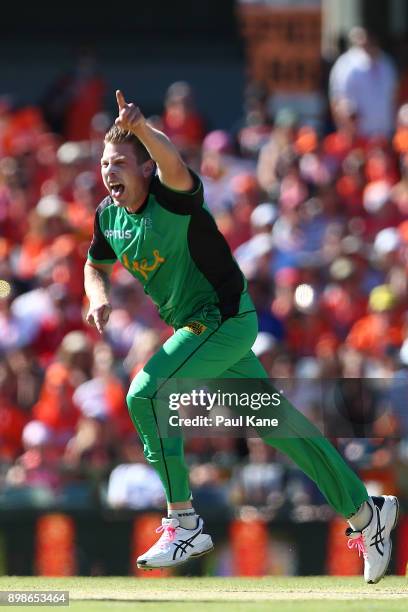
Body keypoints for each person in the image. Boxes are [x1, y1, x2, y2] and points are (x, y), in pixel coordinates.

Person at [83, 90, 398, 581]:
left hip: (221, 320)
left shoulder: (173, 194)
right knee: (278, 425)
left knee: (146, 394)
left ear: (146, 169)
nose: (109, 170)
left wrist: (142, 129)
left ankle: (182, 520)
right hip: (203, 332)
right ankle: (366, 513)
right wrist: (97, 294)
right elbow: (93, 263)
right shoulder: (109, 215)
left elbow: (171, 159)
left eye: (120, 161)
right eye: (105, 162)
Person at [329, 27, 397, 138]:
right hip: (357, 135)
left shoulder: (387, 63)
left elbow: (394, 97)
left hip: (384, 134)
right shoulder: (346, 63)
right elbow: (338, 99)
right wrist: (345, 127)